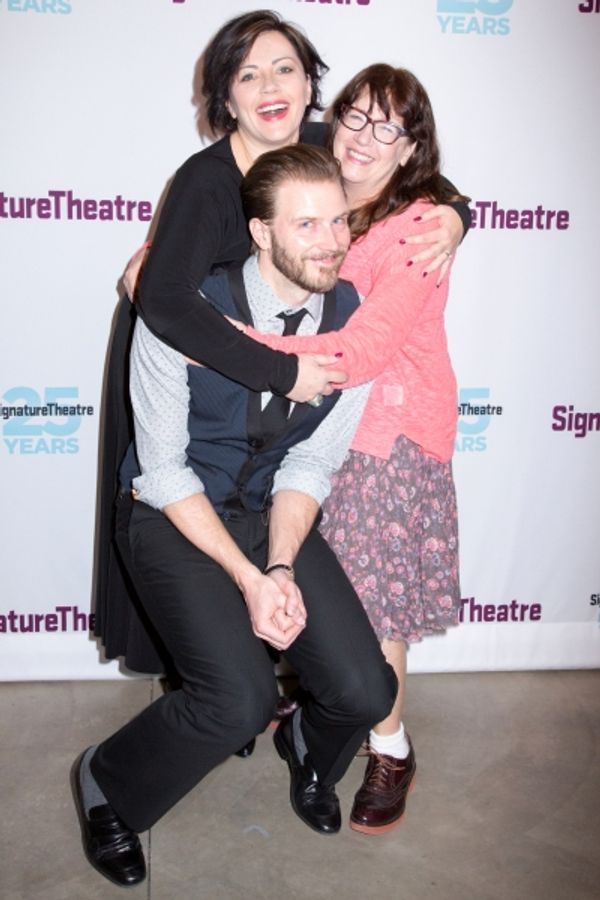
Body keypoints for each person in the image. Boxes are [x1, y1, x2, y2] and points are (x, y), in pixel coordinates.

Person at [95, 13, 468, 672]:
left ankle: (253, 676)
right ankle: (221, 686)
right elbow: (170, 302)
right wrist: (276, 369)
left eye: (285, 68)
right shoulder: (206, 180)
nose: (270, 85)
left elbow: (402, 167)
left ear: (309, 85)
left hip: (283, 361)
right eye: (248, 74)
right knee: (191, 504)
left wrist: (455, 213)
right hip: (189, 347)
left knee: (274, 509)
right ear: (225, 98)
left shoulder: (325, 140)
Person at [73, 145, 397, 888]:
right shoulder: (187, 309)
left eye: (339, 221)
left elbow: (311, 464)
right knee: (239, 699)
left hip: (271, 509)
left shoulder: (353, 323)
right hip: (172, 514)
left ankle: (310, 752)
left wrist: (280, 564)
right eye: (307, 223)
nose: (332, 240)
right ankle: (108, 785)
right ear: (260, 231)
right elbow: (162, 471)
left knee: (366, 689)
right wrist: (250, 581)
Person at [243, 64, 464, 835]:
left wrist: (234, 344)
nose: (365, 138)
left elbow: (364, 348)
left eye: (389, 128)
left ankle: (390, 747)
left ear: (411, 149)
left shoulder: (418, 227)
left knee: (376, 610)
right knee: (322, 591)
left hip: (387, 439)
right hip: (320, 428)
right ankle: (315, 707)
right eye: (355, 118)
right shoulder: (326, 190)